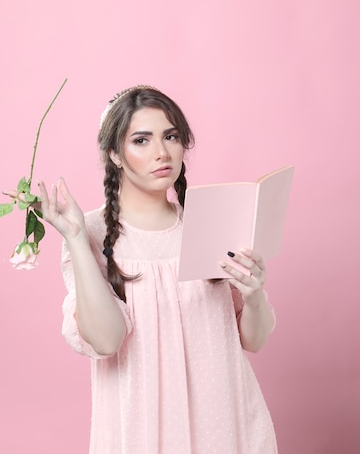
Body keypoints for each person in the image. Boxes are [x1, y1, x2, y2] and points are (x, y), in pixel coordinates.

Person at [37, 85, 278, 454]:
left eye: (170, 136)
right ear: (114, 154)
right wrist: (73, 238)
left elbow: (255, 341)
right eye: (141, 140)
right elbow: (106, 341)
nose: (162, 153)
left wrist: (254, 293)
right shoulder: (90, 233)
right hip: (141, 432)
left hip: (227, 426)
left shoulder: (213, 221)